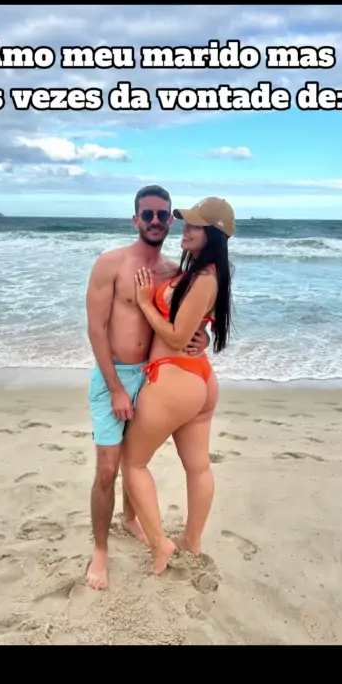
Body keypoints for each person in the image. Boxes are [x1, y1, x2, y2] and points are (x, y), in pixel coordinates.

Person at [85, 185, 211, 589]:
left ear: (170, 220)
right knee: (108, 468)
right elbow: (96, 330)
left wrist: (203, 339)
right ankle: (100, 551)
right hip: (116, 376)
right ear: (135, 219)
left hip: (155, 375)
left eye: (162, 215)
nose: (155, 221)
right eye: (148, 214)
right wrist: (116, 389)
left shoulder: (174, 271)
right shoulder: (111, 264)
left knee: (135, 458)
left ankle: (130, 519)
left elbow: (186, 321)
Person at [120, 196, 234, 577]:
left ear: (213, 234)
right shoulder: (204, 273)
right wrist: (203, 334)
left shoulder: (204, 278)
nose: (186, 228)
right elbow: (195, 325)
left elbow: (175, 335)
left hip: (174, 377)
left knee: (132, 462)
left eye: (196, 225)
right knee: (198, 467)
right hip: (198, 378)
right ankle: (191, 540)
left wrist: (144, 302)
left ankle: (160, 545)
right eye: (186, 222)